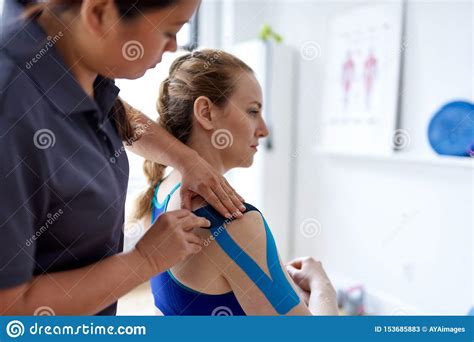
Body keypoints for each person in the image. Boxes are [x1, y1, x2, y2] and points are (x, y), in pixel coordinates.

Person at [0, 0, 248, 316]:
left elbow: (114, 111)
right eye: (169, 31)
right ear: (99, 13)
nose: (173, 47)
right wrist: (145, 259)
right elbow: (9, 314)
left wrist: (187, 159)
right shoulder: (10, 107)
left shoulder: (70, 55)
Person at [133, 49, 338, 315]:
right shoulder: (233, 223)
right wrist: (323, 286)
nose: (264, 130)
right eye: (253, 111)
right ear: (206, 112)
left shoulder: (164, 189)